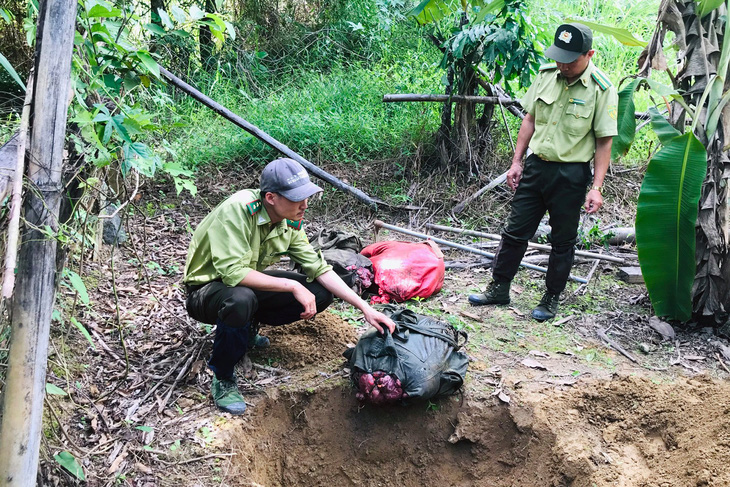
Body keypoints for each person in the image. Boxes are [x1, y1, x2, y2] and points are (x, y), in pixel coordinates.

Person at [184, 158, 396, 415]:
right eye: (297, 198)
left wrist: (365, 308)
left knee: (319, 292)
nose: (304, 205)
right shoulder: (238, 211)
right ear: (271, 198)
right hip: (205, 291)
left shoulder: (290, 221)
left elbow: (319, 268)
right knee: (241, 299)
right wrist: (289, 285)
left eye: (306, 196)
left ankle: (246, 330)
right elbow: (232, 274)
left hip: (245, 284)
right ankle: (223, 376)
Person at [468, 23, 618, 321]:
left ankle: (551, 298)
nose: (563, 65)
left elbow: (604, 142)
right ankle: (499, 288)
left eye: (570, 59)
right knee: (514, 232)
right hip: (536, 168)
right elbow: (530, 120)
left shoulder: (602, 89)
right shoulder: (546, 75)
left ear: (589, 54)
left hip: (570, 175)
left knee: (562, 241)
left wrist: (597, 187)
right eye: (559, 57)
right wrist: (516, 161)